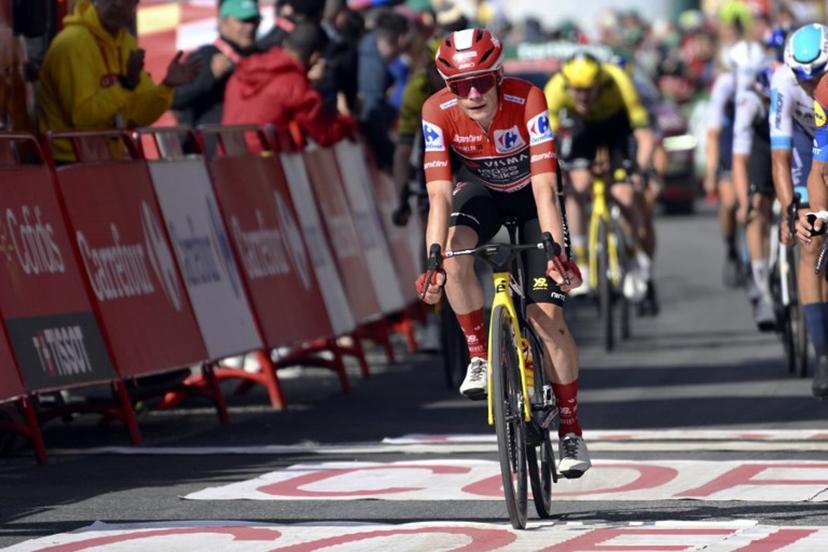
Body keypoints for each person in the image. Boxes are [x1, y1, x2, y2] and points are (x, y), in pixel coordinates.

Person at [416, 28, 590, 478]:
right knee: (454, 254)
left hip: (533, 199)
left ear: (498, 75)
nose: (473, 94)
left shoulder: (528, 98)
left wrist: (557, 253)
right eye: (460, 85)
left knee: (547, 318)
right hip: (481, 195)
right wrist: (432, 260)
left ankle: (570, 429)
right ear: (448, 87)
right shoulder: (436, 112)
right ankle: (479, 355)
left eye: (482, 81)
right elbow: (438, 198)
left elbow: (547, 188)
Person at [544, 52, 657, 313]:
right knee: (577, 185)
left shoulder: (618, 81)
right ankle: (581, 258)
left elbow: (643, 133)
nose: (582, 97)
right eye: (576, 91)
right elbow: (545, 138)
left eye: (588, 91)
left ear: (600, 84)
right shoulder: (556, 88)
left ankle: (636, 257)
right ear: (567, 85)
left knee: (625, 194)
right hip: (582, 128)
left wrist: (640, 168)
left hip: (616, 126)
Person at [37, 0, 200, 162]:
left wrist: (166, 86)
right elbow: (82, 118)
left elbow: (137, 117)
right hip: (67, 165)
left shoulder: (126, 43)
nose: (118, 4)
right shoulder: (72, 44)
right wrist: (125, 85)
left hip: (104, 162)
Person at [221, 21, 356, 150]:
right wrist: (348, 120)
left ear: (285, 43)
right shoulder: (294, 85)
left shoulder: (242, 72)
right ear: (315, 57)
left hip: (226, 162)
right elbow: (322, 134)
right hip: (267, 165)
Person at [790, 24, 828, 398]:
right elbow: (819, 168)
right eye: (803, 78)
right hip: (798, 144)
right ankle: (823, 355)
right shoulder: (820, 98)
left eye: (819, 74)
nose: (811, 83)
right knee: (812, 240)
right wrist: (817, 217)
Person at [730, 40, 775, 330]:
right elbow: (739, 159)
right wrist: (744, 200)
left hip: (793, 139)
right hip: (757, 144)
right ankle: (762, 287)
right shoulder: (748, 101)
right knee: (757, 206)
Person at [171, 0, 260, 137]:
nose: (250, 27)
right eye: (243, 21)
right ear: (222, 22)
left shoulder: (262, 56)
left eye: (254, 20)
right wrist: (210, 76)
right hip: (210, 148)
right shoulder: (205, 56)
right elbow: (175, 99)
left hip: (250, 143)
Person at [357, 9, 410, 169]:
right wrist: (388, 155)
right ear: (400, 39)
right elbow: (371, 109)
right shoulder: (373, 62)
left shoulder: (371, 49)